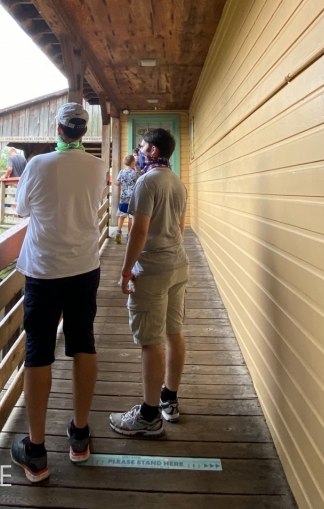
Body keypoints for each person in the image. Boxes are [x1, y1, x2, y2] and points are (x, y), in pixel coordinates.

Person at [9, 103, 106, 481]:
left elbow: (22, 210)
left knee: (38, 351)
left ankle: (35, 450)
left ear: (59, 129)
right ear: (84, 131)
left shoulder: (38, 164)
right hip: (84, 266)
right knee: (84, 343)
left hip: (44, 269)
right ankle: (79, 436)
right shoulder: (99, 167)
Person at [109, 128, 187, 438]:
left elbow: (138, 231)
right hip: (178, 265)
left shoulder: (146, 182)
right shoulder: (178, 182)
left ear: (152, 151)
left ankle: (149, 415)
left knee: (151, 340)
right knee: (174, 331)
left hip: (153, 271)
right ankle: (169, 398)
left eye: (142, 146)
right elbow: (180, 230)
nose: (139, 151)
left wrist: (126, 271)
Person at [113, 155, 139, 243]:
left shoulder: (122, 172)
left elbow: (117, 183)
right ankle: (129, 235)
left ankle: (118, 233)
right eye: (134, 161)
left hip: (123, 197)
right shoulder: (135, 173)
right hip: (133, 198)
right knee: (131, 218)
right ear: (132, 163)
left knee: (121, 216)